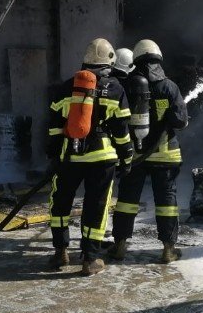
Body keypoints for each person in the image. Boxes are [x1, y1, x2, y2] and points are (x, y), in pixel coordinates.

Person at [46, 38, 133, 276]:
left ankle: (61, 252)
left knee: (60, 203)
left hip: (69, 157)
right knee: (96, 206)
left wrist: (54, 155)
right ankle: (89, 259)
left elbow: (53, 127)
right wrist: (127, 157)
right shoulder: (115, 88)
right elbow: (122, 130)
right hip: (102, 158)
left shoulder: (66, 87)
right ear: (109, 62)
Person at [108, 39, 188, 264]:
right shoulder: (170, 87)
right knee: (166, 203)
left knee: (126, 200)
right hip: (166, 155)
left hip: (135, 154)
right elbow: (181, 122)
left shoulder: (128, 85)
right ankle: (168, 249)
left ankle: (120, 246)